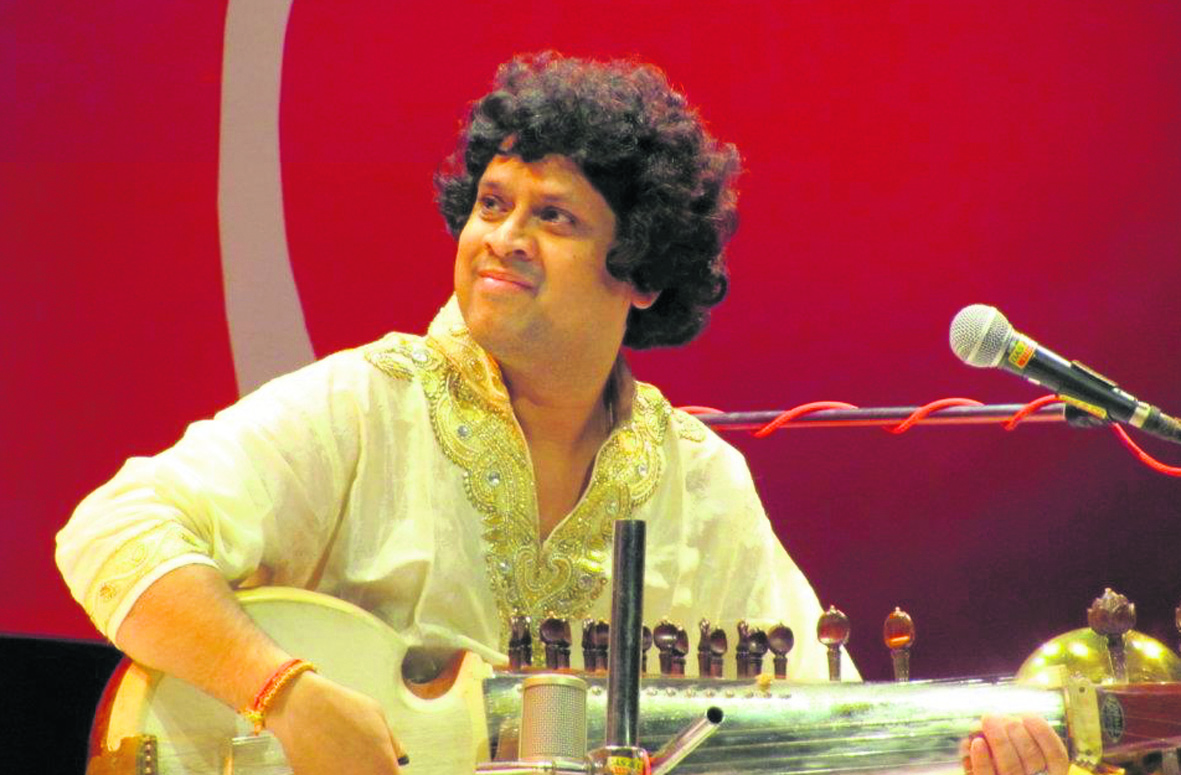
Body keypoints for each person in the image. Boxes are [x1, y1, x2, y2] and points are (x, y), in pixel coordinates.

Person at [56, 53, 1067, 775]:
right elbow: (111, 532)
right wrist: (283, 695)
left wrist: (963, 752)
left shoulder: (696, 479)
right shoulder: (368, 402)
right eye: (492, 203)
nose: (501, 238)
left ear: (640, 275)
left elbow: (821, 712)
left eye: (553, 217)